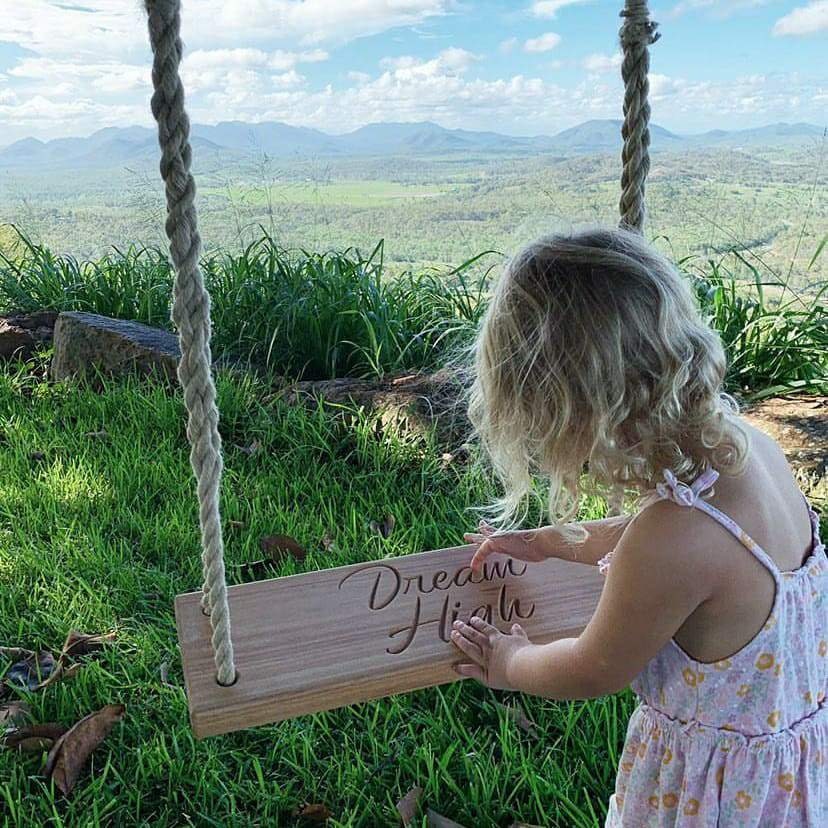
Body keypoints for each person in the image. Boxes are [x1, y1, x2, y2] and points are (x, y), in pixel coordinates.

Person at [450, 227, 826, 827]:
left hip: (715, 803)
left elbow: (591, 668)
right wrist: (555, 543)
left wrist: (510, 661)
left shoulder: (671, 544)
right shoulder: (753, 451)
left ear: (576, 417)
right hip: (785, 784)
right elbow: (681, 535)